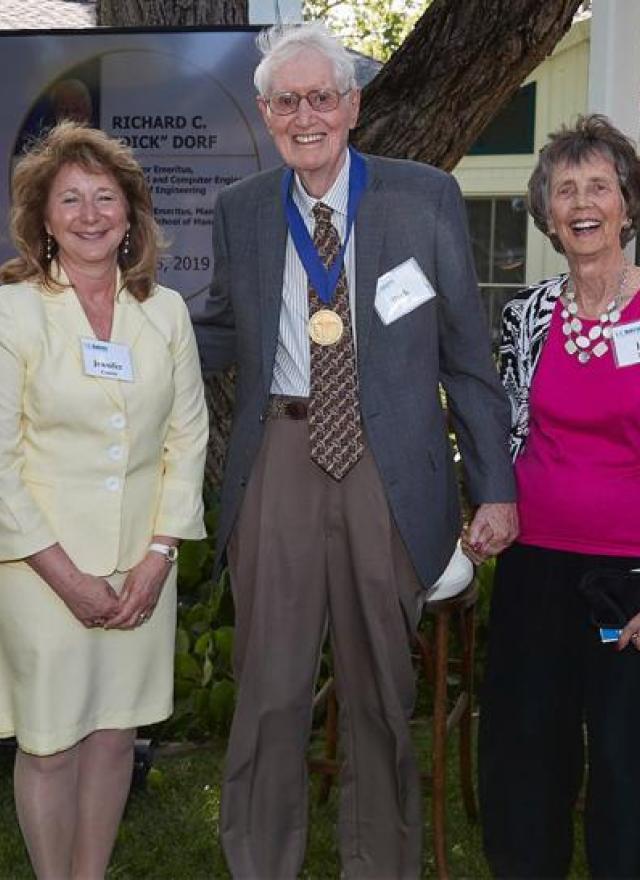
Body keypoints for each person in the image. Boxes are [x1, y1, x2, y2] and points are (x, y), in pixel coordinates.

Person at [193, 22, 517, 879]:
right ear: (266, 113)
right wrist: (113, 319)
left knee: (382, 695)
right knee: (268, 693)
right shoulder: (244, 212)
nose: (307, 115)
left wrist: (494, 487)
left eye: (322, 97)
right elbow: (218, 328)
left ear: (354, 105)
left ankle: (382, 867)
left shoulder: (422, 197)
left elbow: (466, 353)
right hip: (281, 466)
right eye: (288, 100)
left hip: (390, 470)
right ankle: (262, 864)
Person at [0, 122, 209, 879]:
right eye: (71, 200)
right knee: (50, 743)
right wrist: (66, 575)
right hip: (38, 567)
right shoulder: (13, 310)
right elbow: (0, 462)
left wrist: (158, 558)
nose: (90, 215)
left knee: (116, 735)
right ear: (43, 218)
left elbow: (188, 438)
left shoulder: (166, 313)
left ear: (131, 214)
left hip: (140, 573)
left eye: (105, 198)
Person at [478, 114, 640, 879]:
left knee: (624, 759)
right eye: (565, 188)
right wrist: (488, 502)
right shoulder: (526, 314)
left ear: (627, 205)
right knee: (526, 757)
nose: (583, 202)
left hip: (626, 585)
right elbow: (506, 429)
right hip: (535, 571)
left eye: (599, 186)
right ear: (547, 212)